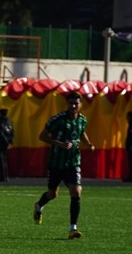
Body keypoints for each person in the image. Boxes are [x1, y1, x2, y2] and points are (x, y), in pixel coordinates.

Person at [33, 91, 94, 239]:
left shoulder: (82, 120)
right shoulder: (58, 119)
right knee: (52, 194)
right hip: (56, 162)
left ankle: (73, 229)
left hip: (73, 162)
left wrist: (88, 144)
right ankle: (39, 206)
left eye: (76, 103)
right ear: (67, 104)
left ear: (80, 105)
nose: (73, 105)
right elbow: (42, 136)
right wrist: (59, 143)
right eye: (71, 103)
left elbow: (82, 132)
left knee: (76, 191)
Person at [0, 108, 14, 182]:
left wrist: (5, 142)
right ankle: (6, 176)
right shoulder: (9, 121)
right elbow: (12, 132)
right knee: (4, 160)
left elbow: (0, 132)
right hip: (6, 142)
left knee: (0, 159)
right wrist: (10, 142)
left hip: (0, 142)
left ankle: (3, 176)